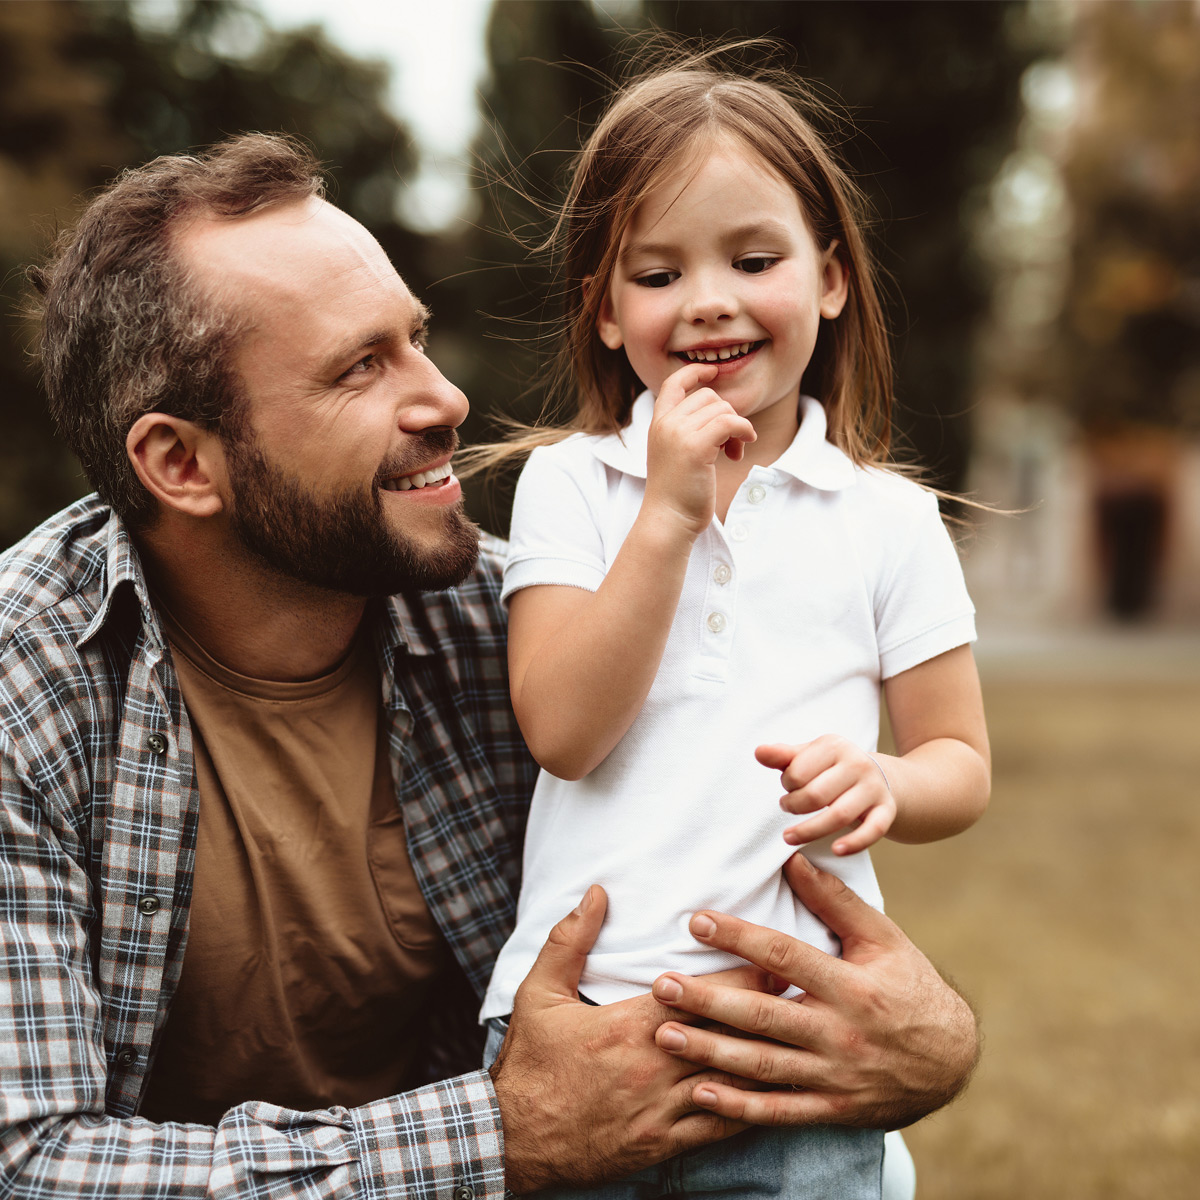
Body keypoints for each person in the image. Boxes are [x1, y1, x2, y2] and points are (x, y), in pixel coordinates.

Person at [0, 133, 980, 1200]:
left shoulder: (496, 615)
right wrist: (505, 1134)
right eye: (360, 367)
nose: (449, 399)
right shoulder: (28, 695)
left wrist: (937, 1043)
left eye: (415, 338)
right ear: (182, 463)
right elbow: (28, 1163)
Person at [479, 54, 992, 1200]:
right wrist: (667, 517)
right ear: (607, 317)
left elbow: (960, 763)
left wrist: (890, 787)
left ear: (831, 281)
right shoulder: (571, 486)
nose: (708, 298)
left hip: (801, 1049)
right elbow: (563, 731)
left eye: (753, 260)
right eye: (658, 274)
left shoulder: (890, 521)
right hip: (588, 1043)